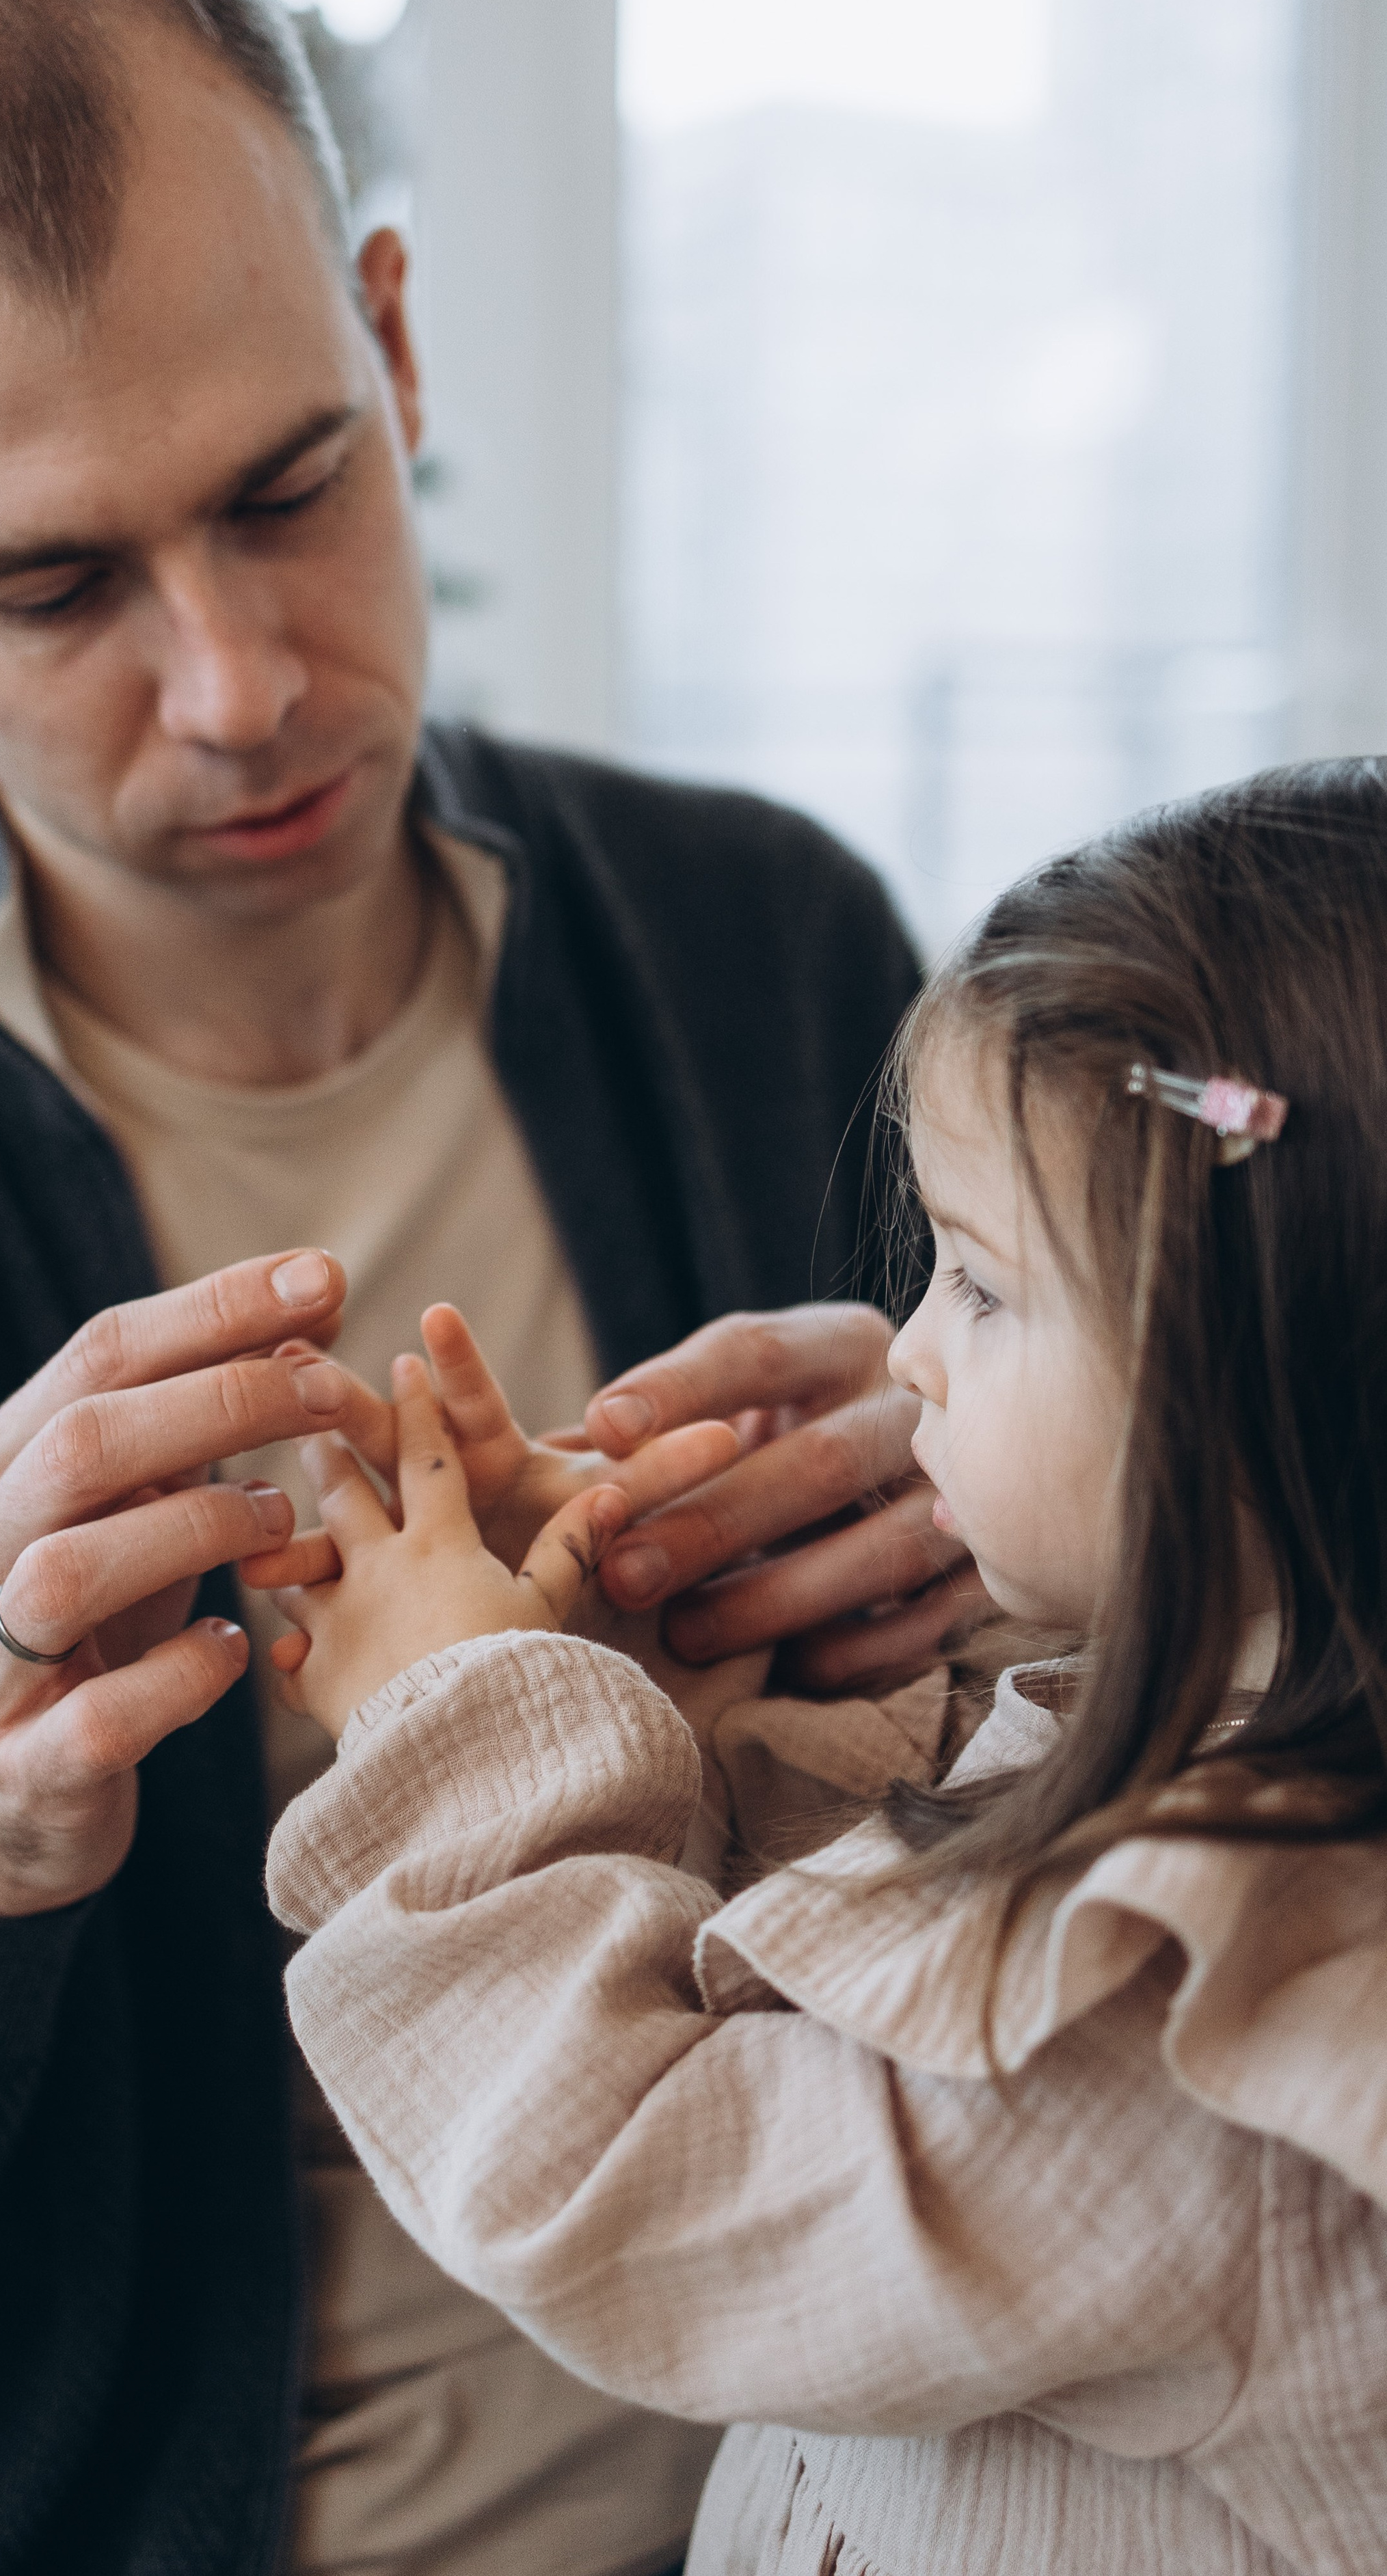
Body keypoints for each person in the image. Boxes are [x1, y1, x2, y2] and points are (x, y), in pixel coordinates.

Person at [0, 0, 973, 2570]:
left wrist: (1018, 1577)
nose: (237, 690)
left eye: (284, 491)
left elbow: (1125, 1818)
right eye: (50, 590)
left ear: (391, 341)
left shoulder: (773, 946)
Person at [263, 760, 1387, 2575]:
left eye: (986, 1287)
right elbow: (926, 1955)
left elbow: (633, 2186)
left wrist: (461, 1726)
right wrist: (675, 1726)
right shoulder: (1251, 1757)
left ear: (1282, 1376)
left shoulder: (1233, 2032)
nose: (910, 1358)